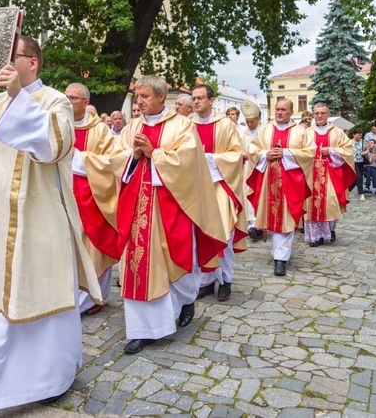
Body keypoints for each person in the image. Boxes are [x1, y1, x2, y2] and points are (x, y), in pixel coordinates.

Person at [0, 36, 101, 416]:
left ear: (33, 63)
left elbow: (53, 145)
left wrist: (17, 97)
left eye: (13, 57)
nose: (4, 63)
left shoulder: (54, 100)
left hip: (36, 224)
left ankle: (52, 379)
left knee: (40, 305)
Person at [103, 75, 225, 355]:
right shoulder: (132, 125)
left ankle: (186, 300)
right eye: (137, 96)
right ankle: (144, 330)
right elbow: (115, 157)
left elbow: (189, 163)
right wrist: (133, 155)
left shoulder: (182, 126)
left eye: (145, 96)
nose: (140, 101)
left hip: (170, 205)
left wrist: (154, 153)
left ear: (161, 97)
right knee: (138, 266)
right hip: (136, 207)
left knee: (176, 261)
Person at [190, 84, 247, 302]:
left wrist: (210, 159)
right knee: (200, 234)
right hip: (195, 188)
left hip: (220, 186)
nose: (196, 102)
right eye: (194, 98)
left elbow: (236, 154)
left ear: (212, 100)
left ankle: (225, 280)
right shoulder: (187, 125)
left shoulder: (225, 125)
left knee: (223, 233)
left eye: (200, 98)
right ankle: (205, 281)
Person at [66, 83, 118, 316]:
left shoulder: (100, 131)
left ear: (85, 103)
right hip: (62, 195)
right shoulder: (60, 123)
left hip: (91, 197)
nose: (67, 101)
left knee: (94, 248)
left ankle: (95, 296)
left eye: (73, 98)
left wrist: (78, 158)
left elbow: (111, 163)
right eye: (65, 96)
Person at [246, 99, 314, 276]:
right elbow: (253, 149)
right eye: (277, 109)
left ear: (291, 112)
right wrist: (265, 154)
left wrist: (286, 153)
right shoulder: (265, 129)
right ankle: (278, 254)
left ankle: (280, 259)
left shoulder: (300, 131)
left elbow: (310, 153)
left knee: (286, 218)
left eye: (284, 110)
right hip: (268, 181)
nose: (280, 112)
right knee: (272, 217)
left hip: (290, 182)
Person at [303, 103, 355, 247]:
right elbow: (300, 150)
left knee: (331, 202)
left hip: (331, 173)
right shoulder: (306, 132)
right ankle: (316, 236)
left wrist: (332, 151)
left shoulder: (337, 132)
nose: (319, 116)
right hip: (311, 174)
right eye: (317, 113)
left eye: (323, 113)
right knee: (312, 204)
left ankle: (330, 230)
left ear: (328, 114)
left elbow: (348, 150)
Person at [241, 100, 263, 241]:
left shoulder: (264, 132)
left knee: (258, 195)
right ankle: (250, 225)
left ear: (259, 119)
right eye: (248, 121)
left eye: (252, 121)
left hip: (259, 168)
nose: (250, 124)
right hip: (246, 168)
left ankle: (258, 224)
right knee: (246, 195)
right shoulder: (244, 133)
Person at [351, 129, 367, 202]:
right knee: (358, 176)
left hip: (361, 161)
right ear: (354, 135)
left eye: (360, 135)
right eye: (358, 135)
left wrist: (365, 152)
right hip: (353, 162)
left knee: (358, 177)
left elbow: (367, 149)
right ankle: (361, 193)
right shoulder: (349, 142)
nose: (359, 137)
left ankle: (348, 189)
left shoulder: (363, 141)